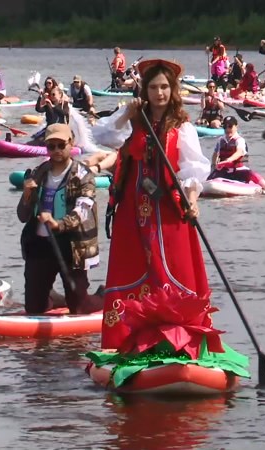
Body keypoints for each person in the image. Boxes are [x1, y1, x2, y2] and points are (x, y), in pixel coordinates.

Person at [87, 58, 249, 383]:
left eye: (164, 87)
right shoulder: (134, 119)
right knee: (134, 270)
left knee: (171, 270)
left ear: (172, 90)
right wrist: (127, 116)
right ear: (144, 90)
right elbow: (100, 135)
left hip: (168, 213)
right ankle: (129, 344)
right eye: (153, 87)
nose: (159, 93)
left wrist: (192, 200)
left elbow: (194, 169)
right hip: (133, 214)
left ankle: (180, 346)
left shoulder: (182, 126)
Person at [17, 123, 102, 314]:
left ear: (71, 144)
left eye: (61, 145)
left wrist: (59, 224)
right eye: (51, 146)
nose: (56, 150)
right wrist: (27, 195)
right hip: (40, 244)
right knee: (33, 307)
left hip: (72, 245)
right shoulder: (39, 172)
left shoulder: (83, 175)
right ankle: (52, 300)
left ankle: (102, 298)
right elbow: (22, 216)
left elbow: (83, 209)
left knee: (78, 307)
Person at [209, 116, 265, 192]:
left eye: (230, 126)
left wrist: (229, 160)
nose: (227, 129)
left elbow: (239, 152)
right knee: (210, 178)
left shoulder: (240, 140)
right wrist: (213, 166)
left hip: (238, 170)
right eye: (225, 126)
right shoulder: (220, 140)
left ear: (236, 126)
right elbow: (215, 154)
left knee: (252, 174)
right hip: (224, 170)